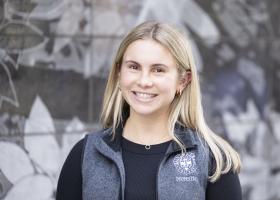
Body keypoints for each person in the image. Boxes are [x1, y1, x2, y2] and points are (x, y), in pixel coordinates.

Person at [56, 21, 242, 200]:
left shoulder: (214, 160)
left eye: (158, 70)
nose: (144, 81)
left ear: (183, 81)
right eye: (134, 67)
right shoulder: (86, 154)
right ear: (119, 73)